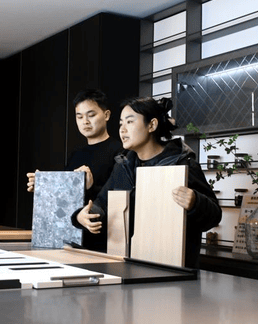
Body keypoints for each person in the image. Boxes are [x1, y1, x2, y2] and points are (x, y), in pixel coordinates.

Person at [71, 96, 221, 267]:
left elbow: (214, 216)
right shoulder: (123, 166)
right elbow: (102, 204)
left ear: (152, 125)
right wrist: (83, 216)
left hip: (171, 269)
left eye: (130, 122)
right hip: (126, 264)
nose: (122, 130)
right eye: (120, 124)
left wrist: (195, 202)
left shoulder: (182, 163)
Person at [26, 89, 123, 251]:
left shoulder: (120, 151)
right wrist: (44, 188)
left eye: (91, 115)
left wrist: (90, 187)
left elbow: (120, 200)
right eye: (79, 116)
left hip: (104, 242)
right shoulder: (76, 154)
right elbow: (65, 200)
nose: (85, 121)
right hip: (71, 240)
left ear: (106, 115)